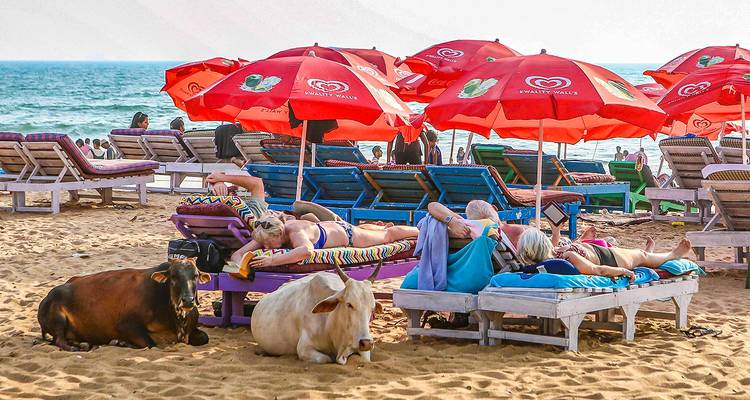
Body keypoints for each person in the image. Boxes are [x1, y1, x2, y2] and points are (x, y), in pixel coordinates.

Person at [516, 224, 693, 281]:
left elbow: (548, 252)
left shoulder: (545, 259)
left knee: (640, 255)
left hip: (598, 251)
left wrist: (556, 233)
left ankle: (651, 254)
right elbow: (597, 270)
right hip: (608, 258)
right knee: (641, 255)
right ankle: (672, 255)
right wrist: (622, 271)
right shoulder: (567, 257)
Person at [232, 217, 419, 267]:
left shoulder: (295, 231)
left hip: (348, 236)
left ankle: (420, 231)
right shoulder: (267, 232)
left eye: (267, 244)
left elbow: (306, 251)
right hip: (331, 227)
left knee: (388, 236)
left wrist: (272, 260)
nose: (264, 248)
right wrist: (241, 266)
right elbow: (237, 254)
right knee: (377, 231)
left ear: (279, 234)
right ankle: (375, 226)